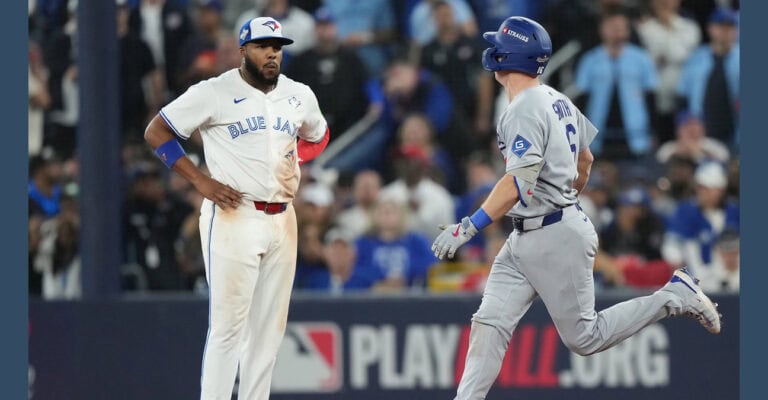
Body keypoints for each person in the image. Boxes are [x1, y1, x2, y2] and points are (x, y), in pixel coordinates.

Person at [430, 17, 721, 400]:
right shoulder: (556, 98)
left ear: (509, 55)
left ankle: (673, 296)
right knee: (490, 322)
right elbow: (586, 160)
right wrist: (568, 193)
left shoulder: (523, 108)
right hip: (533, 233)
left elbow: (517, 182)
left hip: (553, 233)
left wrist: (468, 227)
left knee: (586, 337)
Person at [143, 17, 330, 399]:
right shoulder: (214, 91)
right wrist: (200, 181)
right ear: (243, 50)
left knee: (269, 332)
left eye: (277, 46)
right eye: (262, 46)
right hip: (234, 215)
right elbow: (156, 131)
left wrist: (292, 158)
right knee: (229, 328)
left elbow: (318, 134)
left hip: (283, 217)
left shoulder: (299, 94)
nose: (271, 53)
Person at [574, 5, 658, 160]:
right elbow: (581, 100)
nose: (617, 32)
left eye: (621, 27)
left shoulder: (642, 59)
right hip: (598, 136)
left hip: (635, 135)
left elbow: (651, 98)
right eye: (612, 27)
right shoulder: (590, 60)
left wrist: (653, 131)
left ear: (628, 30)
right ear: (602, 30)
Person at [676, 8, 739, 147]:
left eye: (731, 27)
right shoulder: (696, 58)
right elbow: (682, 98)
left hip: (736, 132)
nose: (725, 31)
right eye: (721, 26)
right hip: (702, 133)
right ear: (710, 28)